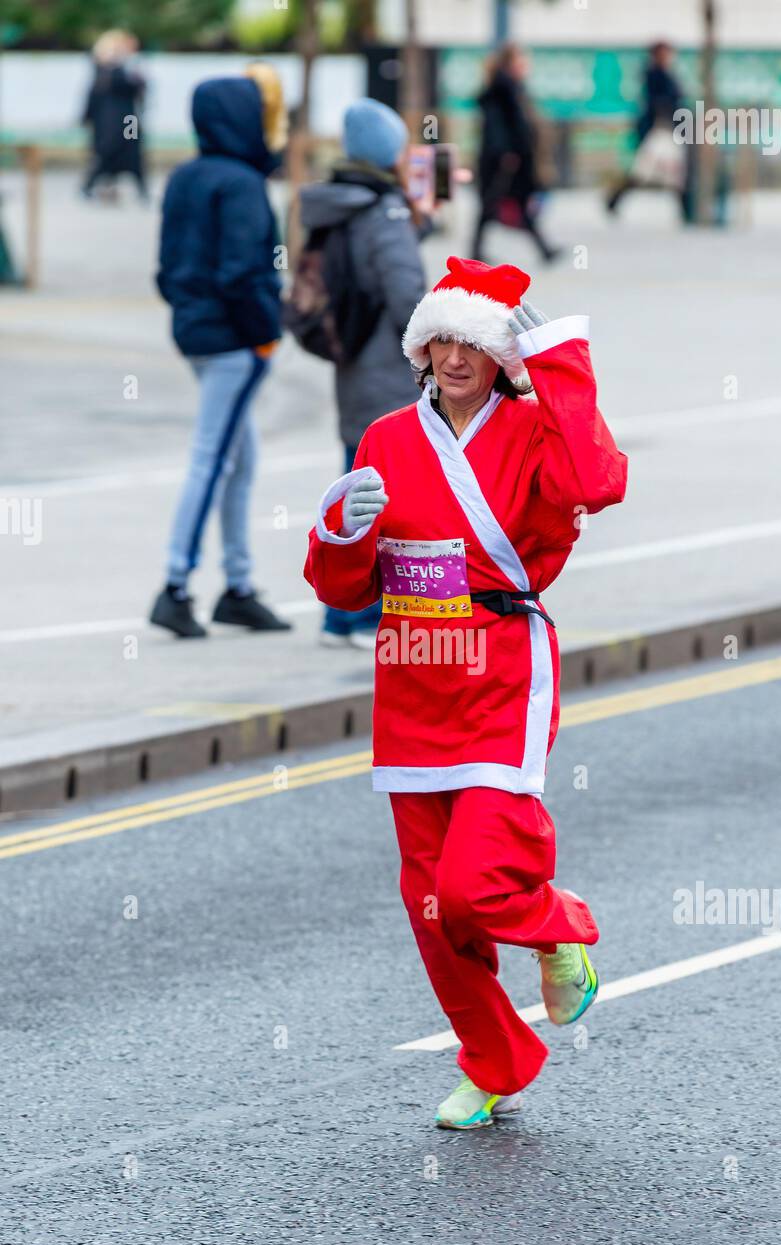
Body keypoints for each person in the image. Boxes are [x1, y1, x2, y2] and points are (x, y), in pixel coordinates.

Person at [304, 256, 627, 1129]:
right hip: (411, 672)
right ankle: (492, 1060)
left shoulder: (530, 432)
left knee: (478, 881)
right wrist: (336, 527)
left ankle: (558, 924)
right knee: (431, 905)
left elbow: (599, 482)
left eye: (474, 344)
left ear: (499, 357)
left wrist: (554, 359)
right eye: (441, 338)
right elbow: (340, 589)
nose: (453, 357)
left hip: (500, 669)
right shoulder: (383, 439)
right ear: (422, 345)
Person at [151, 66, 291, 639]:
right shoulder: (241, 184)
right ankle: (175, 585)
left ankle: (237, 585)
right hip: (235, 340)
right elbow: (243, 273)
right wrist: (266, 331)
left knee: (239, 460)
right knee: (212, 459)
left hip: (196, 332)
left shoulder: (185, 178)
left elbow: (166, 269)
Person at [298, 98, 426, 650]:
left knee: (352, 489)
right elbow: (406, 300)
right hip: (388, 379)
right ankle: (355, 617)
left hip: (353, 371)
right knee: (381, 499)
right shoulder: (385, 213)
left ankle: (337, 615)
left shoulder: (342, 205)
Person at [472, 43, 558, 264]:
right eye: (522, 62)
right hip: (505, 160)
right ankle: (543, 249)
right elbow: (499, 128)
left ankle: (544, 249)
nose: (526, 67)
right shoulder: (503, 91)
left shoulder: (511, 89)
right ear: (511, 64)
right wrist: (506, 153)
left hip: (511, 158)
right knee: (492, 204)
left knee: (504, 205)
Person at [606, 40, 694, 223]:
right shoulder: (654, 75)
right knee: (646, 172)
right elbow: (660, 103)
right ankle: (613, 201)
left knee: (672, 175)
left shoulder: (666, 74)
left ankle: (686, 212)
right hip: (660, 131)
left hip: (668, 131)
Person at [81, 30, 148, 201]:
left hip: (129, 118)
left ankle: (141, 189)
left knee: (133, 152)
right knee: (107, 152)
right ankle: (93, 186)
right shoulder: (105, 70)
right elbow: (93, 96)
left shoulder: (130, 68)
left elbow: (140, 89)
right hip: (109, 120)